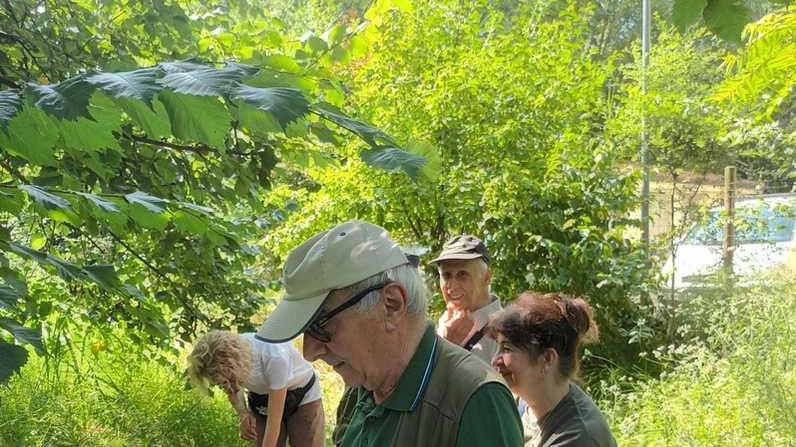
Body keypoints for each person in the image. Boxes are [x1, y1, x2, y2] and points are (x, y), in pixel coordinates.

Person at [256, 219, 524, 447]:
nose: (310, 352)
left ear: (391, 304)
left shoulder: (476, 401)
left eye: (321, 326)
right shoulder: (363, 385)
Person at [487, 292, 617, 447]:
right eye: (498, 346)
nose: (494, 360)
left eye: (507, 348)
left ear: (547, 359)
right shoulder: (525, 401)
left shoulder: (579, 437)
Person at [187, 330, 324, 447]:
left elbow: (273, 423)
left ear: (236, 363)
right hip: (261, 399)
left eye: (229, 380)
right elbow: (233, 390)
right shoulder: (226, 368)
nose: (228, 387)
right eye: (221, 383)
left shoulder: (273, 355)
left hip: (303, 396)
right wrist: (243, 415)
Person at [431, 234, 503, 365]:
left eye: (462, 274)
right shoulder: (445, 321)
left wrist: (448, 349)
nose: (452, 286)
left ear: (487, 277)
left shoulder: (506, 332)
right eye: (446, 276)